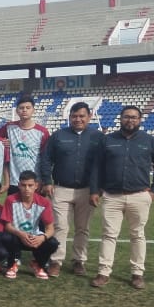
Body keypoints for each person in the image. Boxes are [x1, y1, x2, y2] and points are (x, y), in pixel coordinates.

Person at [90, 105, 154, 289]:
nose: (130, 120)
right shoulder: (108, 140)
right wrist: (94, 190)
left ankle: (137, 274)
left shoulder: (150, 141)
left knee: (138, 235)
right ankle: (104, 272)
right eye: (126, 117)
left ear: (139, 120)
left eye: (134, 117)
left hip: (139, 196)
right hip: (112, 196)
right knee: (108, 235)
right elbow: (97, 167)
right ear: (120, 119)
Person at [37, 101, 102, 277]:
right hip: (61, 188)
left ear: (89, 117)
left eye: (82, 116)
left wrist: (97, 189)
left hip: (86, 190)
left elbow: (102, 164)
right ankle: (56, 261)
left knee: (83, 228)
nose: (78, 119)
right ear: (69, 117)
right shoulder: (58, 135)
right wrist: (47, 181)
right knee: (60, 227)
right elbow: (46, 159)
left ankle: (79, 260)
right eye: (74, 116)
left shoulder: (98, 137)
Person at [1, 171, 59, 280]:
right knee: (6, 237)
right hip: (17, 237)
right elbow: (7, 226)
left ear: (36, 186)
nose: (27, 188)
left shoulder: (44, 202)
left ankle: (38, 264)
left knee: (53, 243)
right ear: (19, 185)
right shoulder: (10, 200)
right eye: (23, 185)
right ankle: (11, 264)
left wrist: (42, 237)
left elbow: (50, 229)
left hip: (34, 238)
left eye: (30, 185)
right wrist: (20, 234)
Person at [0, 95, 50, 195]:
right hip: (14, 182)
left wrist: (45, 181)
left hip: (34, 182)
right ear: (17, 111)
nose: (24, 110)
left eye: (28, 108)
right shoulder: (9, 127)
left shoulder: (42, 132)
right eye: (21, 108)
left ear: (33, 110)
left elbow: (46, 158)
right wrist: (2, 141)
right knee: (14, 210)